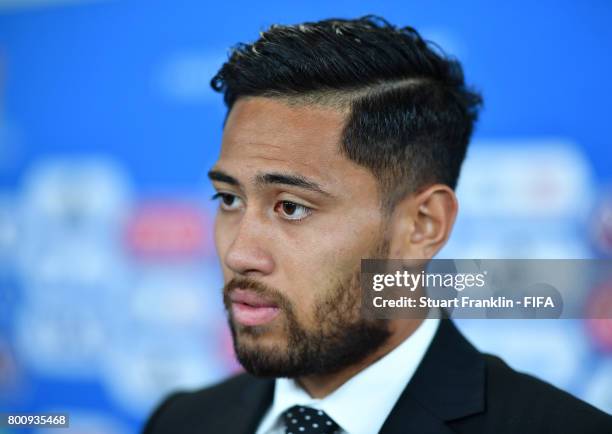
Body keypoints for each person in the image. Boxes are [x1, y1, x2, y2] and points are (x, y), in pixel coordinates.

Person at [142, 15, 612, 434]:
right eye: (228, 198)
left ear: (422, 225)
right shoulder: (181, 421)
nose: (238, 254)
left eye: (292, 207)